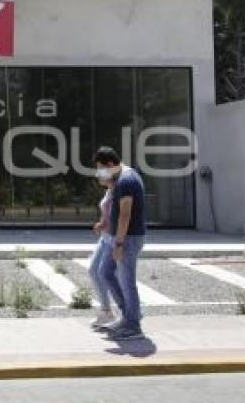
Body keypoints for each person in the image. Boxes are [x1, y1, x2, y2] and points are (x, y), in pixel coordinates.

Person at [92, 146, 147, 341]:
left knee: (127, 281)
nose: (100, 173)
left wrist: (119, 244)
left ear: (111, 164)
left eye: (102, 168)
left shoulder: (126, 180)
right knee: (104, 272)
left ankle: (133, 326)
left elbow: (125, 214)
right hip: (121, 236)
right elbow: (116, 212)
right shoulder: (121, 178)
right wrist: (106, 223)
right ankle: (127, 316)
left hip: (129, 238)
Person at [87, 176, 115, 329]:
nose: (97, 174)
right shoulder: (108, 191)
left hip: (113, 238)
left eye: (100, 169)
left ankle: (128, 314)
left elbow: (121, 216)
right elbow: (107, 213)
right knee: (93, 270)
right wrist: (102, 223)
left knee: (108, 275)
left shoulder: (118, 190)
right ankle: (107, 312)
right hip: (105, 238)